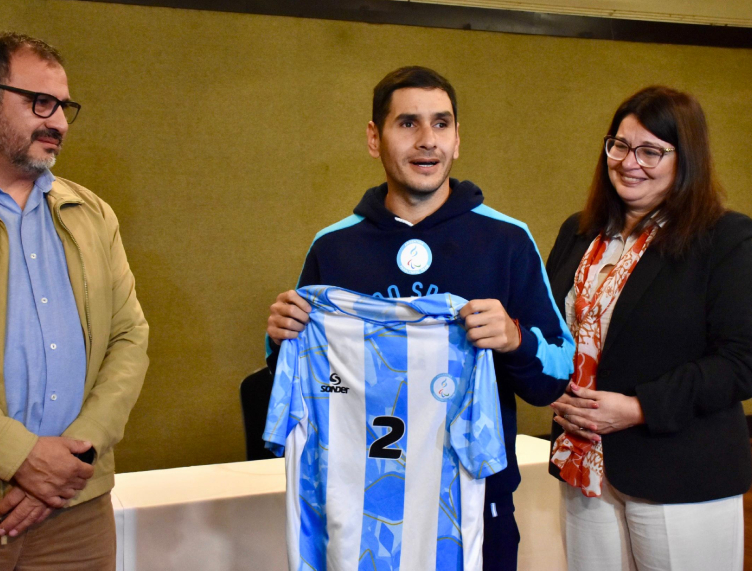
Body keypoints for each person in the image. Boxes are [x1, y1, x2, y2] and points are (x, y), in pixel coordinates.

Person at [266, 65, 574, 570]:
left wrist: (516, 339)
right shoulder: (334, 247)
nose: (427, 140)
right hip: (363, 508)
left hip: (477, 499)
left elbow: (557, 375)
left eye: (442, 124)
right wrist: (281, 336)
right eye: (407, 123)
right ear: (374, 138)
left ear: (457, 140)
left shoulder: (507, 239)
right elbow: (296, 372)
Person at [0, 33, 149, 570]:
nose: (59, 122)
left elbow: (129, 340)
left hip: (75, 512)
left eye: (64, 106)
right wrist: (21, 458)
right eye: (40, 103)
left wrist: (75, 456)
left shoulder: (92, 214)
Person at [546, 86, 752, 571]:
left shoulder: (726, 238)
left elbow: (741, 362)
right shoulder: (579, 231)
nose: (629, 162)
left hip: (680, 471)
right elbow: (551, 329)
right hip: (583, 465)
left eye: (651, 151)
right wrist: (549, 384)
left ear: (687, 159)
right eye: (619, 145)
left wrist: (639, 408)